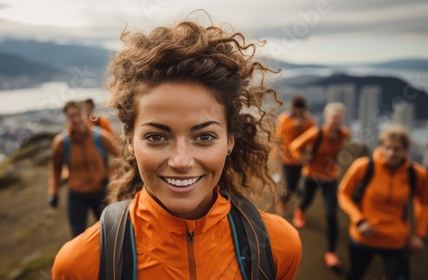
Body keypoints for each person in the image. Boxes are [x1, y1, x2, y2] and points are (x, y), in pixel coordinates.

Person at [52, 19, 302, 279]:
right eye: (157, 137)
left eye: (204, 136)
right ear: (130, 141)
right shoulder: (80, 266)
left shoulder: (278, 247)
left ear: (230, 140)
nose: (181, 161)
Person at [338, 126, 428, 280]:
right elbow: (343, 193)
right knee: (355, 275)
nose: (391, 153)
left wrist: (419, 234)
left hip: (396, 241)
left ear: (406, 150)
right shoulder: (364, 166)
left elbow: (424, 202)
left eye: (397, 149)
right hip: (363, 237)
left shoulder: (416, 174)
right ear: (380, 146)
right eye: (387, 147)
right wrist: (359, 219)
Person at [289, 102, 350, 269]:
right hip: (311, 176)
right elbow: (295, 146)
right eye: (333, 117)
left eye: (339, 118)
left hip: (330, 177)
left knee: (331, 214)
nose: (336, 120)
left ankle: (331, 252)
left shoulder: (344, 134)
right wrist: (301, 158)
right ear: (327, 118)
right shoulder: (316, 133)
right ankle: (300, 210)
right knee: (306, 201)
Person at [48, 100, 120, 237]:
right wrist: (53, 191)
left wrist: (112, 177)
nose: (75, 119)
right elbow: (55, 168)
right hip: (77, 195)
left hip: (102, 193)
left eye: (78, 115)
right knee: (77, 237)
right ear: (67, 118)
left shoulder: (100, 136)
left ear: (85, 114)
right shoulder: (61, 142)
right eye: (71, 116)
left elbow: (122, 158)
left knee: (109, 236)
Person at [275, 95, 315, 215]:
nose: (299, 111)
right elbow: (278, 137)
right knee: (289, 182)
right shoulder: (284, 119)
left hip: (301, 159)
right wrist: (277, 153)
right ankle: (283, 202)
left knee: (297, 181)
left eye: (301, 108)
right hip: (286, 158)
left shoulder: (309, 121)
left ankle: (292, 201)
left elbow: (312, 138)